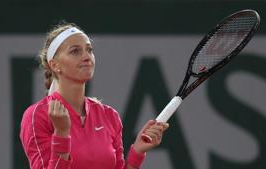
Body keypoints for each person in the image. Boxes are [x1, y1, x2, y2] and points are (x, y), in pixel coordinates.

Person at [19, 22, 169, 169]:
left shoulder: (109, 116)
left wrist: (137, 152)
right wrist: (62, 134)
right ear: (55, 65)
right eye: (75, 51)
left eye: (89, 50)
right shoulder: (36, 116)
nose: (86, 56)